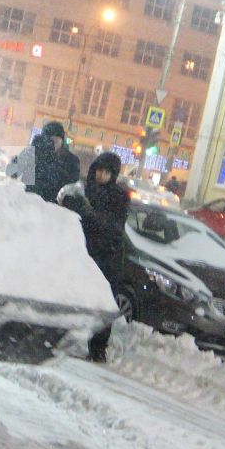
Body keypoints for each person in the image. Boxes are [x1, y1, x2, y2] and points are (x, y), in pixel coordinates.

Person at [60, 150, 132, 361]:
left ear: (114, 175)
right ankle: (64, 336)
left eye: (107, 172)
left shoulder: (118, 197)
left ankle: (98, 348)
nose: (101, 175)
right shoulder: (83, 190)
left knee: (103, 305)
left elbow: (113, 227)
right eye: (99, 170)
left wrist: (90, 214)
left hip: (107, 258)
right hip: (83, 253)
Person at [18, 120, 81, 202]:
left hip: (55, 208)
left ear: (62, 142)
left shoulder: (71, 161)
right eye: (49, 141)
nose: (52, 144)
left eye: (56, 141)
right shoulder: (35, 153)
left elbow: (71, 187)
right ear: (43, 140)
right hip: (30, 202)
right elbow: (14, 171)